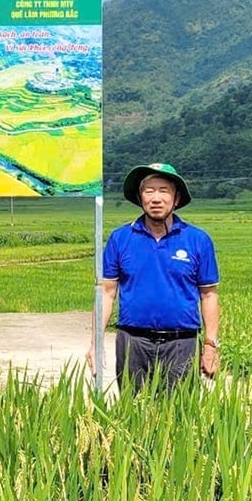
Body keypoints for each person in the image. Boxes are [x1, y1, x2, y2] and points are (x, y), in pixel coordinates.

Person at [87, 163, 220, 392]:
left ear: (176, 198)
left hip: (181, 343)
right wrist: (95, 343)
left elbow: (208, 294)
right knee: (132, 412)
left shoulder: (198, 240)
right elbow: (107, 293)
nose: (156, 198)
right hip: (132, 341)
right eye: (149, 191)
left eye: (164, 190)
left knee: (178, 416)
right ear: (140, 198)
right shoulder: (120, 238)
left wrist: (210, 345)